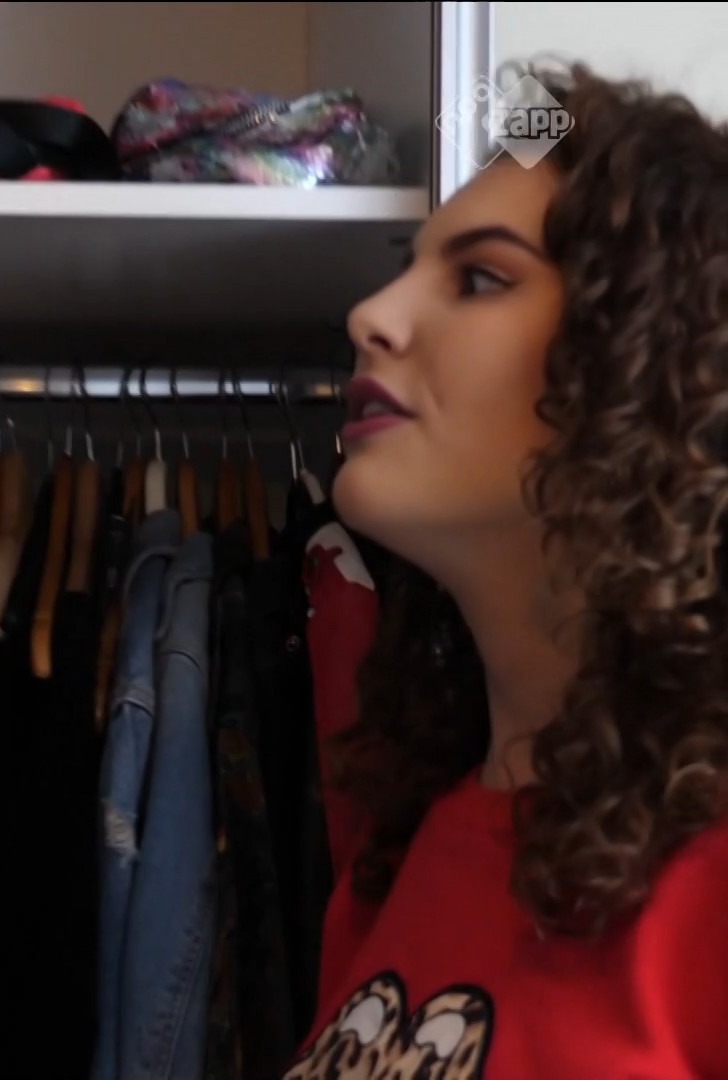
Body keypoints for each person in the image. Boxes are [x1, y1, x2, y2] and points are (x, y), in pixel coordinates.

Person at [284, 64, 728, 1078]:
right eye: (407, 266)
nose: (371, 314)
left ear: (650, 366)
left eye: (481, 278)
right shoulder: (399, 859)